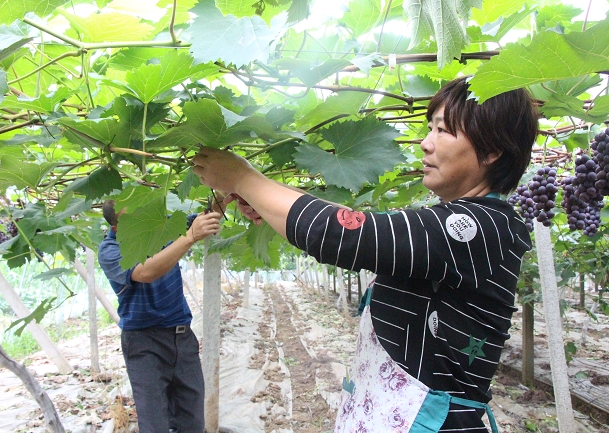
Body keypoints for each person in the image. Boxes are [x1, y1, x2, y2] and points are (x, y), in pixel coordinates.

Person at [192, 76, 538, 432]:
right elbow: (364, 226)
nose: (425, 143)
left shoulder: (480, 226)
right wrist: (269, 198)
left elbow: (345, 234)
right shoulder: (462, 221)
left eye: (443, 131)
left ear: (493, 149)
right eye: (429, 128)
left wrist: (243, 179)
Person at [98, 200, 222, 433]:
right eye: (131, 219)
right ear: (116, 228)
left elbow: (205, 216)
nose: (142, 220)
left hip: (182, 338)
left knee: (193, 422)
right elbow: (146, 272)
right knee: (154, 424)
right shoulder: (109, 250)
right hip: (144, 344)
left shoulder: (162, 229)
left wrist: (227, 191)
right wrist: (189, 237)